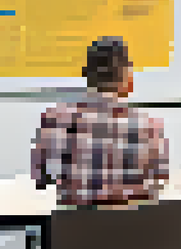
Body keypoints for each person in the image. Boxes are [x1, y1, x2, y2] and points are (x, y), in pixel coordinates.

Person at [31, 36, 169, 206]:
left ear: (86, 74)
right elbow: (160, 180)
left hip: (75, 230)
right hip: (133, 230)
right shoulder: (150, 126)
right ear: (126, 77)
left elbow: (40, 179)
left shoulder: (54, 120)